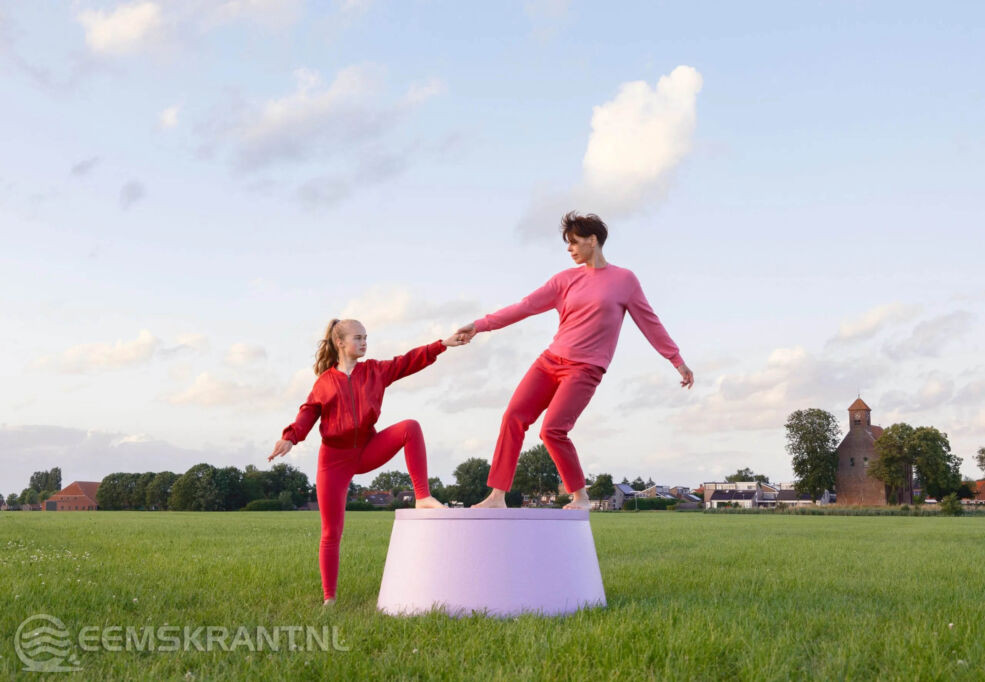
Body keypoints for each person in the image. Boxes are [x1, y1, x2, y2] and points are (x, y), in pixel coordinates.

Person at [457, 212, 694, 510]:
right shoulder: (564, 280)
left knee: (552, 430)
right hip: (550, 361)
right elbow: (525, 307)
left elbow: (650, 322)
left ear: (593, 241)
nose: (569, 249)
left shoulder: (625, 280)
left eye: (574, 243)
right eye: (567, 244)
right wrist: (480, 325)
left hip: (585, 369)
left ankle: (580, 496)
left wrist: (676, 359)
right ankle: (496, 497)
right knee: (513, 417)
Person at [269, 318, 468, 605]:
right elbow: (308, 413)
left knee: (410, 427)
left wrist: (441, 345)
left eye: (366, 338)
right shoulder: (324, 383)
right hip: (334, 461)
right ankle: (330, 599)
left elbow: (408, 361)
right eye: (358, 338)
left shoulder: (375, 370)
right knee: (331, 531)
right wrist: (290, 437)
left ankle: (422, 496)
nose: (364, 343)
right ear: (340, 343)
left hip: (367, 448)